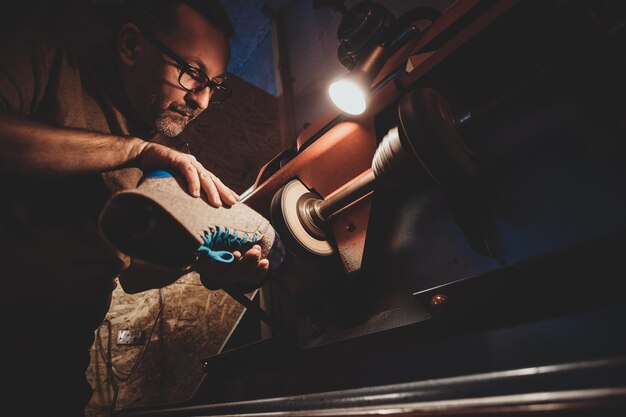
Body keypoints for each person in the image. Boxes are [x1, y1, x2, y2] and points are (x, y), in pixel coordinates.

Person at [0, 1, 270, 415]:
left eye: (214, 85)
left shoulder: (165, 156)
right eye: (193, 73)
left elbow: (135, 275)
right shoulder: (48, 59)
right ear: (131, 45)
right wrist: (136, 151)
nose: (201, 101)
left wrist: (200, 262)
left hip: (59, 363)